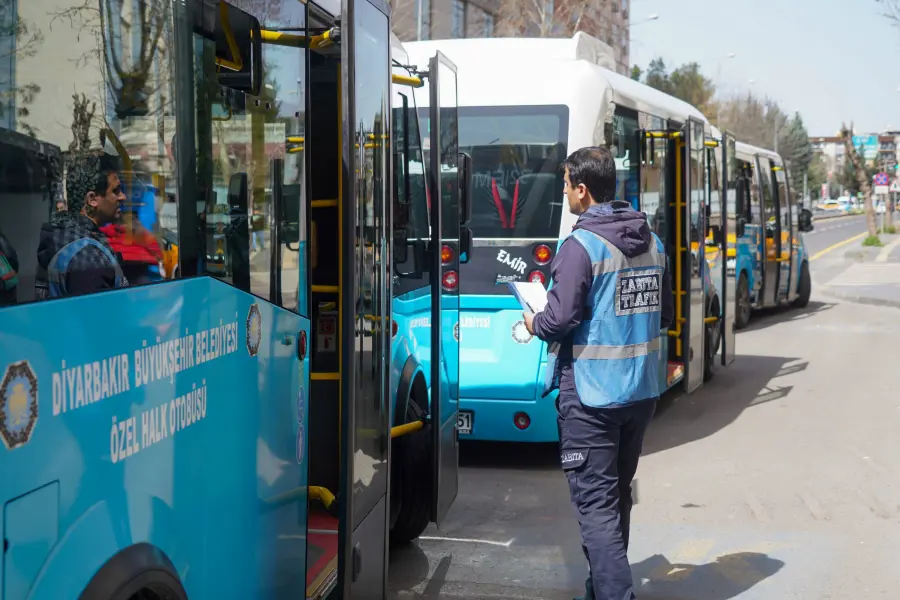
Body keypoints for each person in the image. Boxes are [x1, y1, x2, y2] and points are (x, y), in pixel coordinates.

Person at [523, 146, 674, 600]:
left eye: (567, 184)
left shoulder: (580, 247)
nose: (565, 192)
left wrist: (533, 321)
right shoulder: (653, 243)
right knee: (614, 497)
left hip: (590, 398)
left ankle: (614, 593)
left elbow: (558, 319)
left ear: (583, 190)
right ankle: (601, 587)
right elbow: (663, 315)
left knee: (595, 506)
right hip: (642, 394)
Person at [35, 153, 129, 298]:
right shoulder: (88, 259)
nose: (123, 197)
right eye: (116, 191)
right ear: (92, 199)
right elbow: (96, 318)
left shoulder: (64, 235)